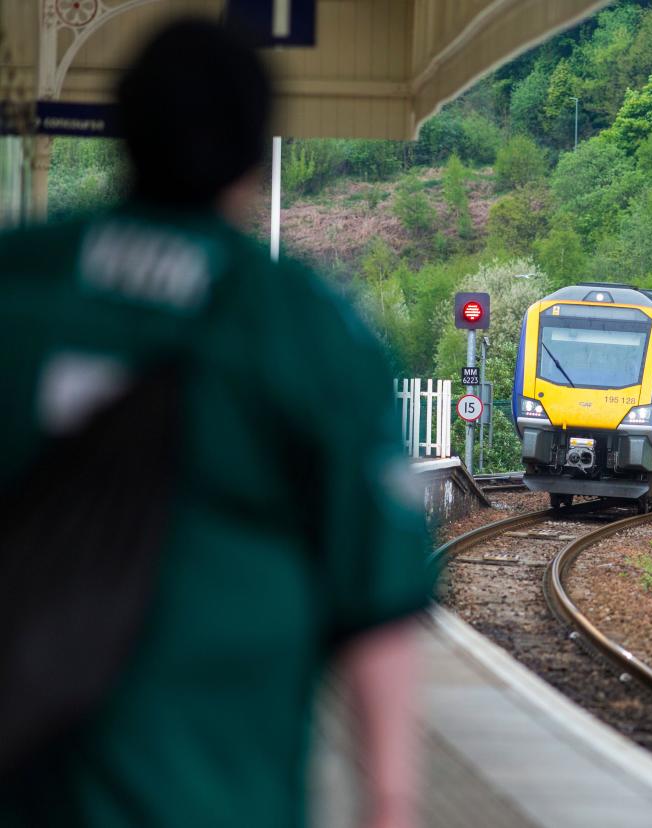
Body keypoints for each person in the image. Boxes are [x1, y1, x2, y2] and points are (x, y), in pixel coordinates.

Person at [0, 19, 437, 828]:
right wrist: (390, 803)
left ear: (121, 131)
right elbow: (379, 601)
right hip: (214, 795)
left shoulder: (19, 277)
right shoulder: (299, 324)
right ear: (252, 155)